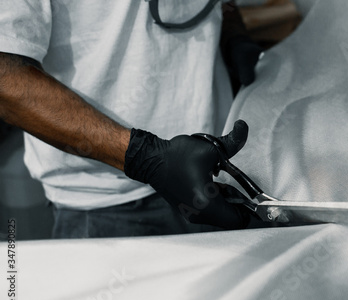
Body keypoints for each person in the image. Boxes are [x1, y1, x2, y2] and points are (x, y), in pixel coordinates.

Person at [0, 0, 264, 238]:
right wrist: (145, 158)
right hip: (105, 207)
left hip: (217, 183)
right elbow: (6, 78)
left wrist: (233, 33)